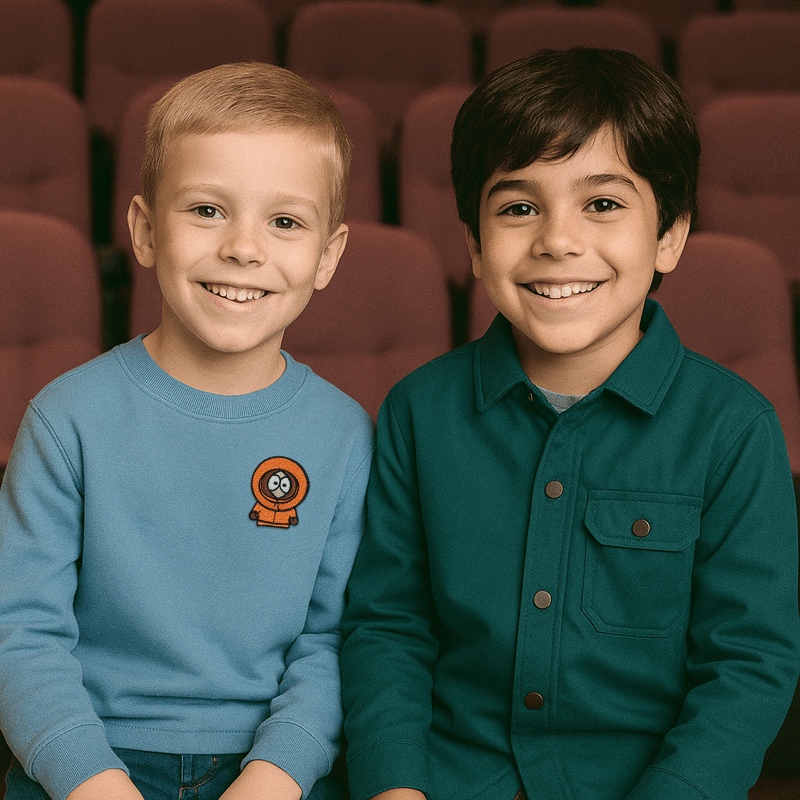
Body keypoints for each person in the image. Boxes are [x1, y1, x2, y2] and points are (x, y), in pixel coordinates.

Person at [340, 48, 800, 800]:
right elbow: (388, 626)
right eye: (518, 208)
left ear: (670, 236)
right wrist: (395, 787)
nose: (557, 240)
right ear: (473, 243)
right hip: (449, 780)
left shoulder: (735, 428)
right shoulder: (417, 410)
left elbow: (748, 665)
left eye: (603, 204)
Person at [0, 62, 373, 800]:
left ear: (327, 255)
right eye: (207, 210)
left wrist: (274, 777)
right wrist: (91, 780)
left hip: (275, 767)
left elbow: (335, 640)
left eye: (285, 222)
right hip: (86, 760)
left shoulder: (345, 435)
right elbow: (21, 631)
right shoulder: (66, 418)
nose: (243, 248)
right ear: (144, 231)